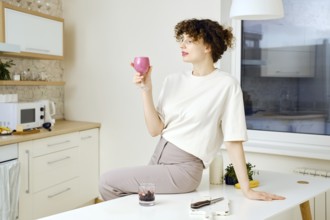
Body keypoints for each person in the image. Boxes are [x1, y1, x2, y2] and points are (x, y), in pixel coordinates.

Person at [99, 18, 285, 201]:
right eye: (182, 41)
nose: (182, 45)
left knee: (108, 182)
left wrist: (247, 189)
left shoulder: (226, 84)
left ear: (207, 46)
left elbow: (233, 138)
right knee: (139, 203)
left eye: (189, 41)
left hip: (184, 169)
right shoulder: (173, 80)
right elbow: (155, 130)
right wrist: (146, 90)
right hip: (158, 158)